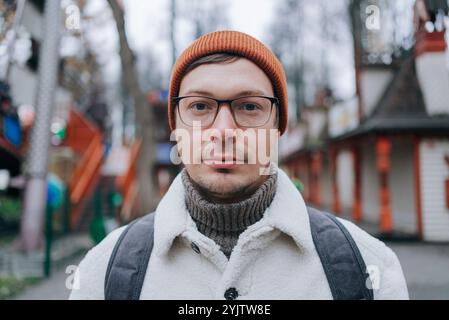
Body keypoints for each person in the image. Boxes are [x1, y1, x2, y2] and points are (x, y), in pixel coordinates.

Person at [69, 30, 408, 300]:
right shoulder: (104, 273)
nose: (224, 131)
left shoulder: (367, 267)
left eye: (249, 107)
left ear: (278, 127)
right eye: (200, 107)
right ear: (176, 126)